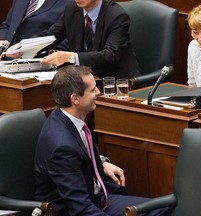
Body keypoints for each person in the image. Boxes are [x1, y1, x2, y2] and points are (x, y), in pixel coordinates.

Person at [34, 65, 171, 216]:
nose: (99, 92)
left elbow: (79, 152)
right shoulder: (62, 146)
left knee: (162, 208)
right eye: (92, 90)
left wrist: (101, 161)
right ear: (75, 99)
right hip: (75, 210)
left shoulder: (67, 117)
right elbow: (81, 209)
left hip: (97, 197)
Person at [7, 0, 141, 80]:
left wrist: (70, 57)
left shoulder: (117, 16)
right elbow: (52, 35)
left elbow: (109, 55)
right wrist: (23, 47)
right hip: (84, 80)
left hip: (114, 81)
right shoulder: (72, 9)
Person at [0, 0, 69, 60]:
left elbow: (68, 34)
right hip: (7, 61)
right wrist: (2, 41)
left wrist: (42, 52)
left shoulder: (71, 2)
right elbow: (8, 24)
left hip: (41, 62)